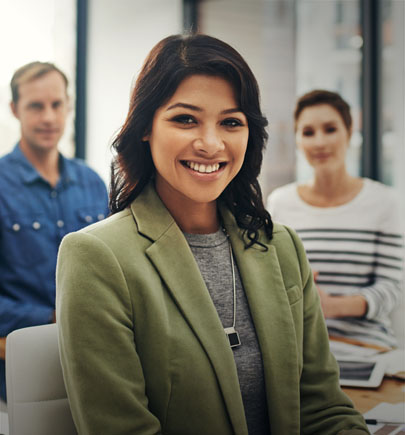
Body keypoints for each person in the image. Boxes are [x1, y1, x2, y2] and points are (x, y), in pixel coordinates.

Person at [56, 35, 368, 434]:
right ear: (145, 128)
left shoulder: (282, 246)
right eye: (185, 119)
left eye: (231, 122)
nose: (211, 143)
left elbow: (323, 409)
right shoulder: (96, 257)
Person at [0, 61, 109, 401]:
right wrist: (50, 316)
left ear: (68, 107)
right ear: (15, 109)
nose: (48, 117)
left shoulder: (92, 182)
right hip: (16, 365)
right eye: (36, 106)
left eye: (56, 105)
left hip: (93, 360)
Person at [267, 89, 403, 351]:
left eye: (330, 129)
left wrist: (329, 306)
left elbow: (392, 289)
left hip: (366, 346)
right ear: (298, 140)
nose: (319, 142)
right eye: (308, 132)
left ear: (349, 133)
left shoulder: (385, 202)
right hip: (298, 348)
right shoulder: (280, 203)